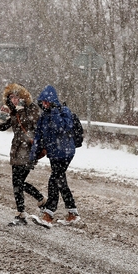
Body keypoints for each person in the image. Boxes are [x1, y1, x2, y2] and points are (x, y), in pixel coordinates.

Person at [28, 85, 80, 228]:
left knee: (54, 180)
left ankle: (48, 214)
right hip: (54, 154)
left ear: (53, 101)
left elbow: (62, 128)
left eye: (47, 102)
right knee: (60, 181)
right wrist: (32, 156)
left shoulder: (63, 111)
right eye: (43, 102)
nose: (44, 105)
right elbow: (38, 137)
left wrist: (54, 113)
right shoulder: (43, 117)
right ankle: (72, 213)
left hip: (65, 153)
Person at [0, 83, 46, 226]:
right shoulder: (12, 111)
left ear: (23, 97)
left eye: (16, 97)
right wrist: (3, 116)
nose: (13, 100)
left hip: (29, 150)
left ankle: (38, 202)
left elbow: (36, 125)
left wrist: (21, 111)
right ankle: (23, 212)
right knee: (16, 182)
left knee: (19, 181)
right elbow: (2, 127)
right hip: (16, 149)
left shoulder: (31, 108)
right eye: (11, 97)